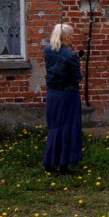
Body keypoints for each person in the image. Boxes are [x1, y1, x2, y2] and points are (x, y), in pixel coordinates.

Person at [42, 23, 83, 175]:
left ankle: (50, 162)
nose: (73, 38)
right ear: (66, 37)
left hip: (53, 94)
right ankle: (64, 165)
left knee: (55, 128)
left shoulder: (48, 50)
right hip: (68, 95)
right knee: (68, 126)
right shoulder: (71, 56)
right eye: (72, 35)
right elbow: (77, 78)